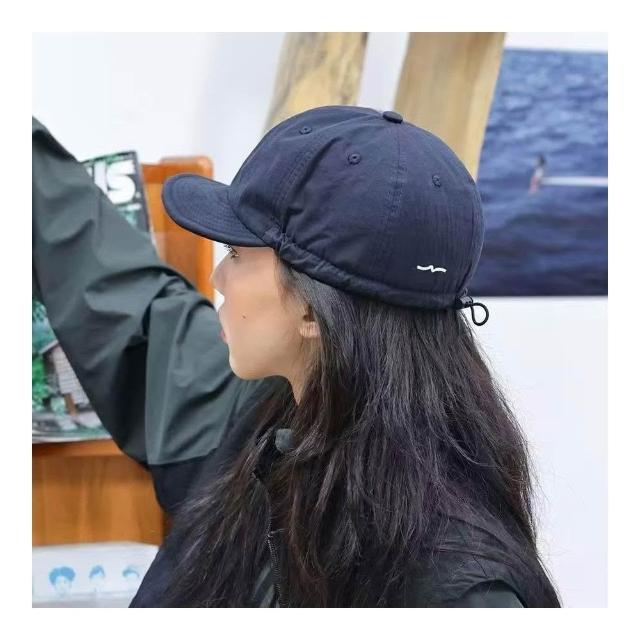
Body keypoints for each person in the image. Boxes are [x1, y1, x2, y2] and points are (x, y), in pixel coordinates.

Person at [32, 108, 562, 607]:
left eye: (236, 254)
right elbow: (121, 297)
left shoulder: (458, 593)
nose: (217, 278)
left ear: (313, 309)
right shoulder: (266, 421)